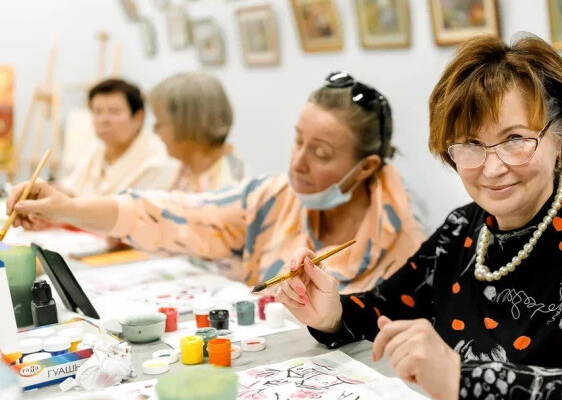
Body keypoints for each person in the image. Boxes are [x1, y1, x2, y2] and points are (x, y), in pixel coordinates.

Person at [276, 35, 562, 400]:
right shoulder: (462, 229)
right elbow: (386, 309)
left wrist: (465, 382)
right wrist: (332, 314)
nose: (493, 166)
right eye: (471, 144)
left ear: (561, 138)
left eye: (516, 139)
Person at [7, 72, 426, 290]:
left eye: (320, 154)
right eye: (297, 141)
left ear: (367, 168)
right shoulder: (272, 196)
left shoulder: (405, 240)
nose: (296, 163)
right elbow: (165, 213)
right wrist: (65, 208)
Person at [59, 79, 177, 196]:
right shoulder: (97, 148)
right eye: (97, 112)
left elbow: (133, 209)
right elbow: (71, 188)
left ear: (139, 117)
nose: (104, 120)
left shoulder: (157, 161)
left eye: (114, 112)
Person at [149, 72, 247, 193]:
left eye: (160, 123)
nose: (154, 131)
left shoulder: (229, 187)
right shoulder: (187, 167)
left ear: (187, 125)